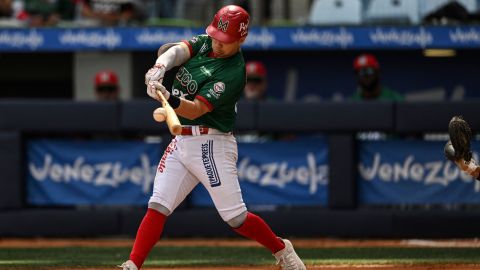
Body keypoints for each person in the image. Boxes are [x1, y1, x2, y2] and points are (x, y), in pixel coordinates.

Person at [119, 5, 306, 270]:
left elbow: (195, 110)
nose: (218, 44)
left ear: (241, 39)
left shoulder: (233, 72)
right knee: (158, 204)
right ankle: (133, 264)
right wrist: (160, 67)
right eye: (216, 37)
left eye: (225, 41)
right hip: (182, 141)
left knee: (235, 217)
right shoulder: (208, 42)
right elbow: (179, 50)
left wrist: (169, 98)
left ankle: (281, 249)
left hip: (211, 143)